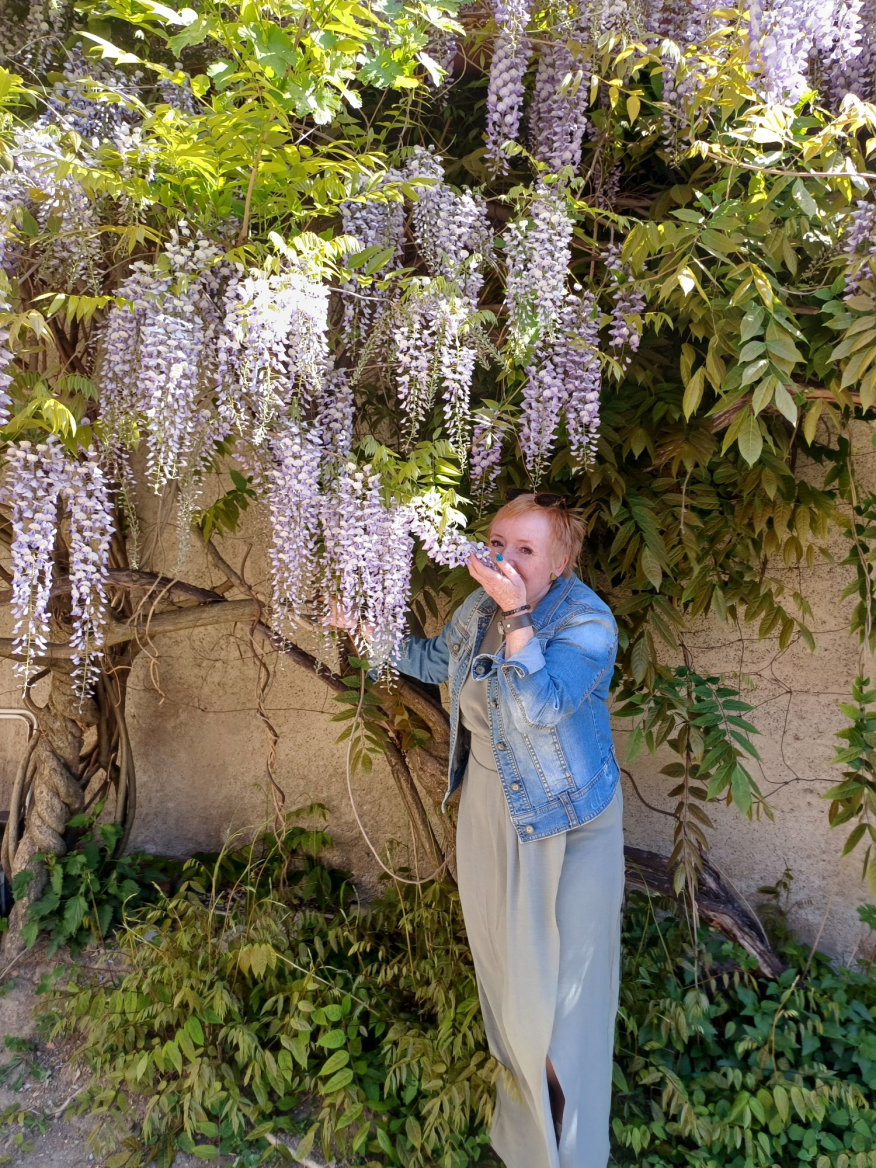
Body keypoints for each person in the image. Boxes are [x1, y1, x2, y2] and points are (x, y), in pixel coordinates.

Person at [335, 490, 624, 1168]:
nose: (506, 559)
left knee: (564, 1009)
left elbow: (543, 705)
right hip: (491, 811)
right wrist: (360, 626)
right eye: (499, 543)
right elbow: (437, 663)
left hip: (568, 825)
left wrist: (518, 614)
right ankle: (527, 1150)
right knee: (507, 987)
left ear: (561, 560)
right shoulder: (476, 608)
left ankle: (572, 1156)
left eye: (526, 550)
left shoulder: (589, 622)